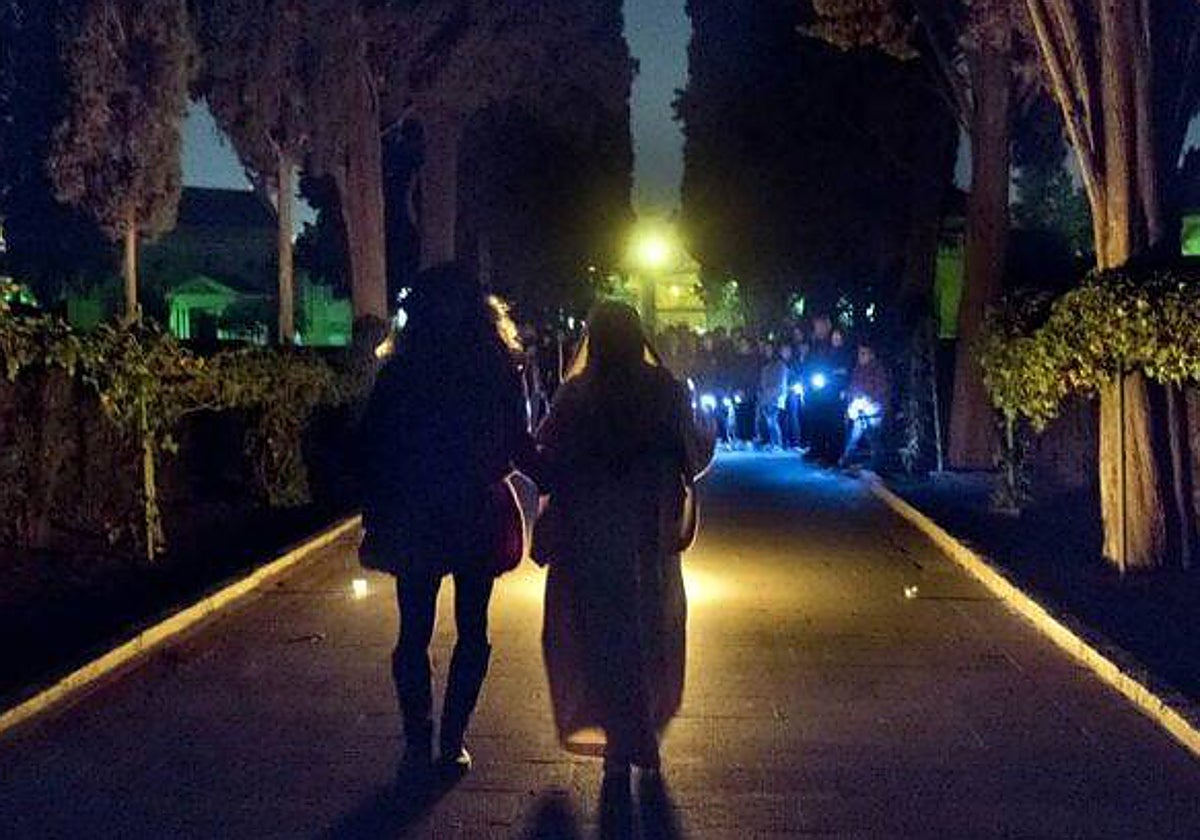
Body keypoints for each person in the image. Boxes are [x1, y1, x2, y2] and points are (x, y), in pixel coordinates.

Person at [358, 263, 532, 781]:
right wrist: (559, 474)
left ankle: (420, 738)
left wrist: (376, 507)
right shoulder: (497, 369)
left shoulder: (402, 371)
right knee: (471, 627)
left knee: (415, 630)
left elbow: (375, 444)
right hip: (474, 507)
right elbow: (515, 441)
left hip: (416, 508)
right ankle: (451, 739)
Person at [533, 302, 715, 794]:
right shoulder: (665, 392)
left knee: (598, 637)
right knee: (649, 633)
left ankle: (619, 744)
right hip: (646, 538)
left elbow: (546, 452)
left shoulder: (577, 393)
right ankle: (640, 738)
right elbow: (692, 455)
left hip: (588, 539)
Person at [839, 341, 891, 470]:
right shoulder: (858, 368)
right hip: (860, 407)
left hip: (873, 409)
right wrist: (848, 394)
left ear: (871, 355)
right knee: (855, 434)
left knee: (872, 436)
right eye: (859, 353)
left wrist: (870, 399)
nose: (860, 356)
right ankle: (847, 459)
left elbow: (882, 388)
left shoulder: (878, 369)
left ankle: (877, 464)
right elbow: (853, 385)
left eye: (863, 353)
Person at [757, 343, 788, 450]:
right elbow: (762, 382)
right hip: (766, 397)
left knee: (773, 421)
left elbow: (781, 384)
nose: (767, 352)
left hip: (775, 397)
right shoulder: (765, 366)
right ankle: (772, 442)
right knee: (768, 421)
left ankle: (777, 443)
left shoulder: (781, 366)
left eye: (769, 349)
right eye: (766, 350)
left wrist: (772, 394)